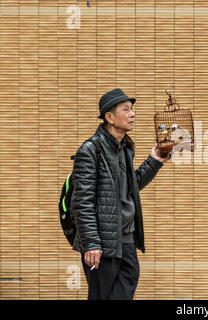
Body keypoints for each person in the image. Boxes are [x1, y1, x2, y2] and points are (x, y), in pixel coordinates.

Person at [71, 88, 170, 300]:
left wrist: (155, 160)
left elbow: (129, 188)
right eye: (126, 109)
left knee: (128, 280)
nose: (132, 114)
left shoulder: (124, 148)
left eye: (132, 109)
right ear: (109, 117)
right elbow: (82, 202)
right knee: (102, 295)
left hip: (125, 238)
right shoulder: (90, 150)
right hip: (102, 241)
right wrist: (92, 243)